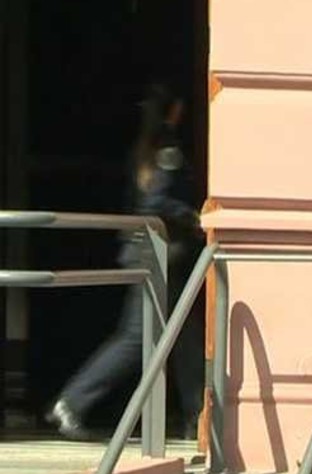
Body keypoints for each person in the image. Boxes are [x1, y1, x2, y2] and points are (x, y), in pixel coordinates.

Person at [46, 83, 206, 440]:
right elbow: (154, 204)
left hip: (157, 254)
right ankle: (72, 402)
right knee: (138, 337)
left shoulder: (146, 149)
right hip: (156, 253)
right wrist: (193, 216)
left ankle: (198, 415)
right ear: (175, 111)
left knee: (185, 335)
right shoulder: (167, 151)